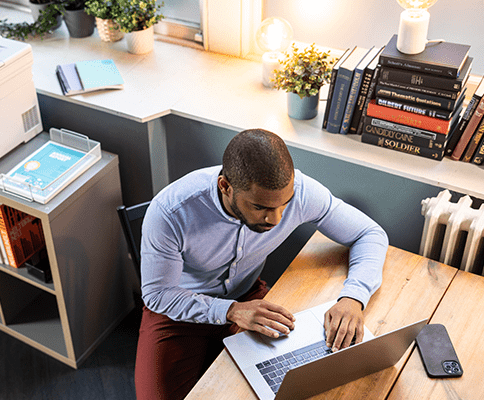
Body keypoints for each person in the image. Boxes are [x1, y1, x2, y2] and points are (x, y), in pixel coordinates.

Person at [134, 128, 389, 400]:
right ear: (225, 186)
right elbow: (158, 295)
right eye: (260, 207)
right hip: (178, 311)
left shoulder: (301, 192)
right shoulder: (170, 212)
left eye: (284, 204)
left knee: (292, 385)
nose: (276, 219)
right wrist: (230, 310)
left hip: (250, 299)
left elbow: (370, 234)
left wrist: (353, 297)